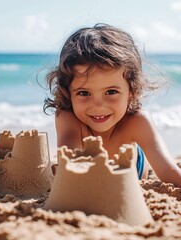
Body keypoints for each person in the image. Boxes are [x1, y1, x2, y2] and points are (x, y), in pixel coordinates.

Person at [44, 23, 181, 187]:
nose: (98, 105)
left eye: (110, 92)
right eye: (84, 93)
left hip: (134, 171)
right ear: (68, 92)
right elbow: (72, 167)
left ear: (131, 90)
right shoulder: (68, 118)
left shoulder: (136, 122)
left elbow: (168, 172)